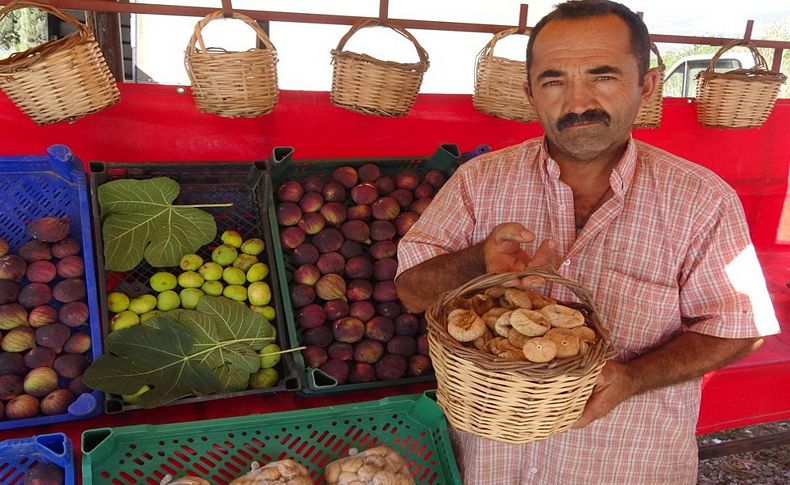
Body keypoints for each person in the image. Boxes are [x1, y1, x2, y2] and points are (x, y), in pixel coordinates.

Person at [395, 0, 780, 483]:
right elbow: (412, 291)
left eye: (603, 76)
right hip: (491, 466)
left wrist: (632, 378)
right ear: (530, 93)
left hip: (627, 465)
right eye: (554, 80)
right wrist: (478, 261)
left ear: (647, 85)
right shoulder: (479, 182)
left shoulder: (701, 199)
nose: (577, 102)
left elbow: (739, 327)